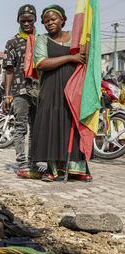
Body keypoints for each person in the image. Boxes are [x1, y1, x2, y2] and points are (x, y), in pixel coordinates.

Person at [31, 5, 91, 181]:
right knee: (52, 124)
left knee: (71, 123)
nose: (50, 23)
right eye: (46, 21)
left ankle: (76, 169)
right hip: (50, 88)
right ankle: (52, 170)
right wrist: (70, 58)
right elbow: (40, 63)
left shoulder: (76, 37)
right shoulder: (42, 40)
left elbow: (86, 57)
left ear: (63, 20)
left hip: (73, 88)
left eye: (54, 19)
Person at [3, 4, 40, 179]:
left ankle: (33, 161)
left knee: (35, 128)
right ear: (18, 20)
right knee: (20, 127)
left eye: (29, 20)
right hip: (20, 90)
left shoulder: (42, 41)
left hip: (39, 90)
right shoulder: (12, 42)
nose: (26, 23)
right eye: (23, 20)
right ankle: (22, 162)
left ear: (35, 20)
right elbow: (9, 70)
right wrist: (7, 94)